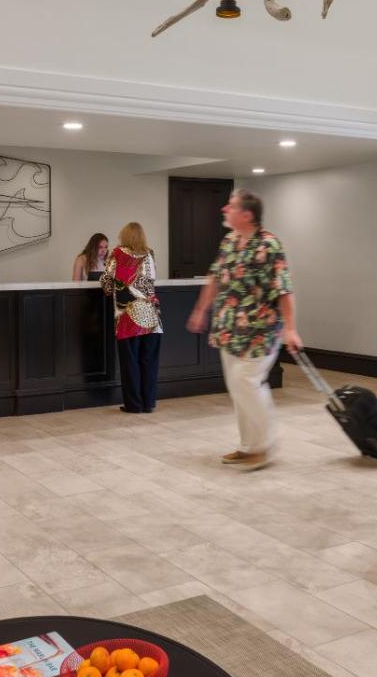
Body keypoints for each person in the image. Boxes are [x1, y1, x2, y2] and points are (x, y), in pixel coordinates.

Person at [187, 189, 301, 472]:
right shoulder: (229, 241)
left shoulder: (269, 245)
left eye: (232, 206)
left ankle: (264, 446)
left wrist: (291, 328)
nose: (224, 209)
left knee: (245, 382)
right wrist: (201, 310)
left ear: (247, 215)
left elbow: (284, 289)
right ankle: (249, 446)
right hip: (230, 330)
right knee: (237, 388)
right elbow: (215, 278)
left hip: (261, 330)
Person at [101, 222, 163, 414]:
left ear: (125, 236)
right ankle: (148, 403)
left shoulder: (116, 253)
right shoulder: (149, 253)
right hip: (152, 317)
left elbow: (107, 283)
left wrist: (110, 287)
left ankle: (134, 405)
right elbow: (150, 281)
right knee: (149, 362)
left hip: (127, 316)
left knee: (130, 362)